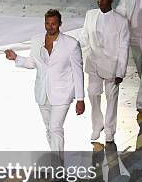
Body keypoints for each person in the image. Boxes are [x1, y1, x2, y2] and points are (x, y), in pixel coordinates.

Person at [5, 9, 85, 152]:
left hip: (62, 93)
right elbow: (32, 63)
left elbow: (78, 72)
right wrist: (16, 58)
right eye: (47, 23)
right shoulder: (37, 41)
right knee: (49, 129)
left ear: (60, 24)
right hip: (42, 93)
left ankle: (58, 167)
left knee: (55, 128)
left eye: (53, 24)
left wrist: (80, 98)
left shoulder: (71, 44)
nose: (50, 26)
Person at [78, 0, 130, 143]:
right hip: (94, 62)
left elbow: (124, 47)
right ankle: (97, 125)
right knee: (93, 93)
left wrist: (121, 71)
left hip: (112, 67)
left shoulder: (121, 21)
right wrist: (73, 46)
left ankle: (109, 130)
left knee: (111, 98)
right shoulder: (91, 15)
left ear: (111, 0)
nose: (100, 2)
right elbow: (84, 36)